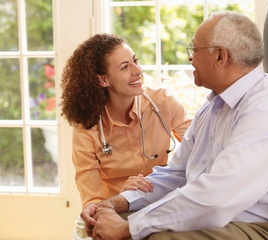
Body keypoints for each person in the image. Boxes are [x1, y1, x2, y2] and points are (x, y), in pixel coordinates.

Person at [80, 12, 268, 240]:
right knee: (111, 226)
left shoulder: (266, 112)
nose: (189, 57)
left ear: (220, 57)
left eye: (194, 49)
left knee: (157, 235)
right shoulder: (214, 104)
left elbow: (215, 197)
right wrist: (116, 202)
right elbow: (177, 174)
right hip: (229, 220)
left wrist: (130, 227)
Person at [60, 33, 191, 238]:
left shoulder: (164, 104)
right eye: (125, 67)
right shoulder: (87, 126)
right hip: (115, 210)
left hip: (162, 204)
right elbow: (92, 199)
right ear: (103, 79)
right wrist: (122, 194)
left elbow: (202, 150)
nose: (138, 71)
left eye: (135, 61)